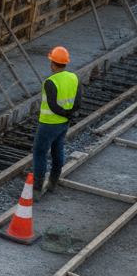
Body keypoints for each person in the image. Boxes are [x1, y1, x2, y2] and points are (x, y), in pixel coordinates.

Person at [33, 46, 81, 194]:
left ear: (53, 63)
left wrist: (63, 113)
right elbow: (78, 101)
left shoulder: (50, 82)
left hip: (48, 124)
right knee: (57, 150)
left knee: (39, 153)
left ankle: (37, 189)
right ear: (65, 63)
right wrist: (68, 114)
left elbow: (53, 106)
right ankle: (53, 183)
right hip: (63, 124)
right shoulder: (74, 78)